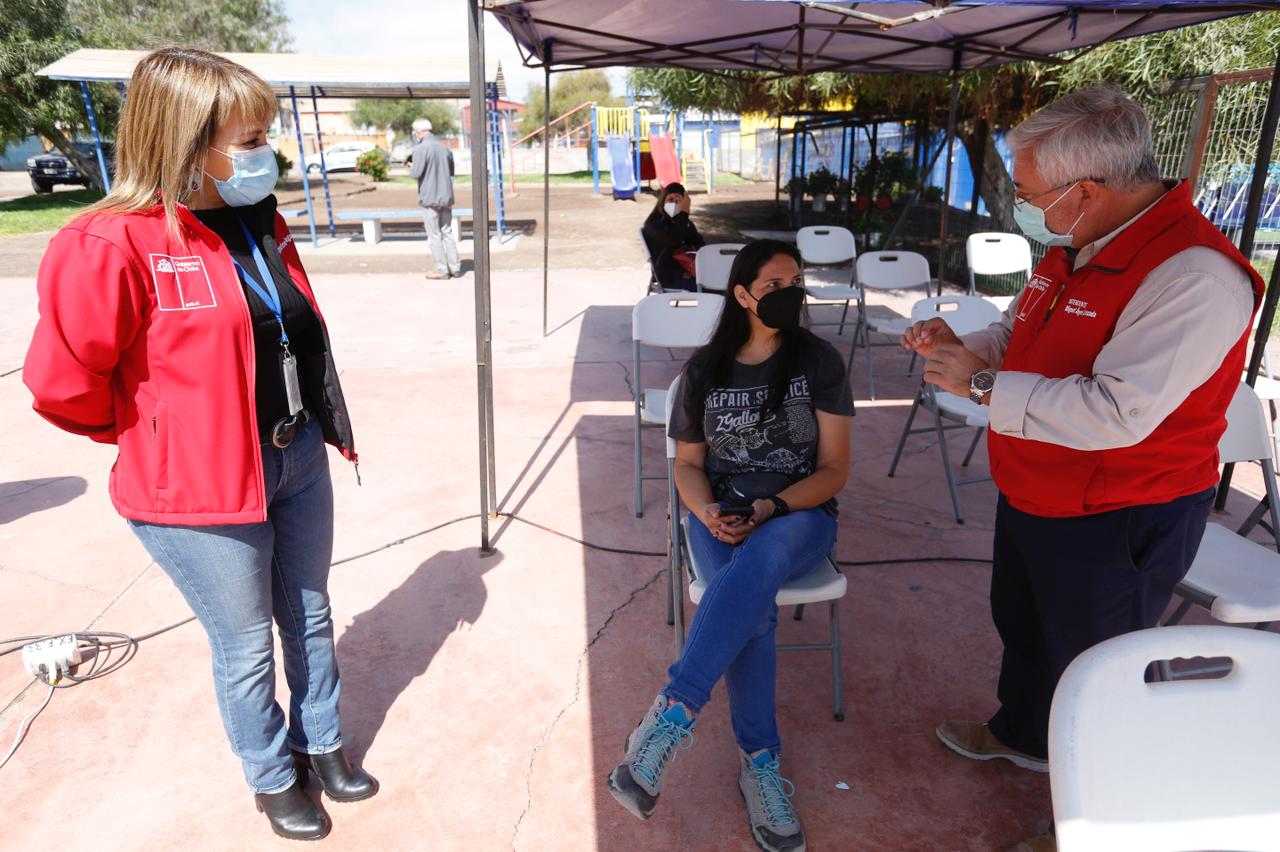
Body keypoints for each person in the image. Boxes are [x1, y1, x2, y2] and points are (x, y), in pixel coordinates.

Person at [23, 48, 375, 842]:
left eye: (264, 135)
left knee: (310, 614)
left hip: (294, 456)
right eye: (249, 139)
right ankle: (271, 776)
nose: (265, 153)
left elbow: (287, 330)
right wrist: (157, 438)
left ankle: (321, 744)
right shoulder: (110, 241)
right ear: (186, 140)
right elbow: (61, 383)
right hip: (200, 488)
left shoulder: (259, 220)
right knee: (245, 646)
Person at [901, 86, 1263, 852]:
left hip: (1119, 512)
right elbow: (1019, 332)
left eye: (1030, 195)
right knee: (1028, 632)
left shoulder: (1194, 277)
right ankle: (1026, 735)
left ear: (1086, 191)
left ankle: (1098, 824)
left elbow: (1116, 412)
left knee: (1104, 673)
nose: (1027, 209)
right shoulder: (1079, 240)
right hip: (1038, 490)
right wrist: (965, 346)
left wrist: (982, 384)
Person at [608, 240, 854, 852]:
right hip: (721, 514)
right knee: (754, 609)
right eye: (775, 285)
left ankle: (670, 717)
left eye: (796, 281)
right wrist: (708, 511)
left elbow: (834, 469)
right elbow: (689, 466)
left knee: (762, 559)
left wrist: (775, 506)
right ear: (743, 295)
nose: (791, 293)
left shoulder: (819, 361)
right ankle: (760, 767)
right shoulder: (704, 370)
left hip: (799, 514)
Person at [410, 117, 461, 280]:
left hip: (430, 198)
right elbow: (451, 172)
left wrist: (411, 166)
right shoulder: (445, 148)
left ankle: (442, 269)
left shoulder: (420, 149)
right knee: (447, 232)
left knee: (434, 235)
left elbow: (416, 173)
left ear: (419, 132)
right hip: (446, 197)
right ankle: (455, 267)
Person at [642, 181, 705, 290]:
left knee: (721, 283)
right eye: (671, 200)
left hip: (690, 270)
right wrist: (684, 213)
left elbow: (699, 243)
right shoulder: (654, 223)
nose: (674, 204)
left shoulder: (685, 223)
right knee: (708, 287)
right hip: (668, 274)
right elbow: (674, 240)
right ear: (662, 201)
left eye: (679, 201)